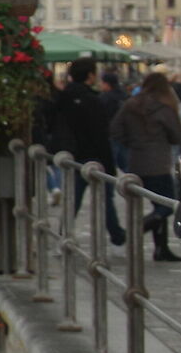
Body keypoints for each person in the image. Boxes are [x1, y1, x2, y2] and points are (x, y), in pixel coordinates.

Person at [41, 56, 124, 243]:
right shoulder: (92, 100)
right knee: (104, 199)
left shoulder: (62, 97)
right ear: (90, 75)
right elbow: (101, 134)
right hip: (93, 156)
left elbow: (52, 122)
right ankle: (117, 234)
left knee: (74, 198)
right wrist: (110, 165)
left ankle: (65, 231)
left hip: (70, 154)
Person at [111, 70, 181, 261]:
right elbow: (177, 135)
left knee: (158, 204)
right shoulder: (164, 107)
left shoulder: (130, 104)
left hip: (135, 162)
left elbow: (116, 129)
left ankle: (161, 249)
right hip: (158, 164)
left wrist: (132, 143)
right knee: (167, 206)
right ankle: (138, 229)